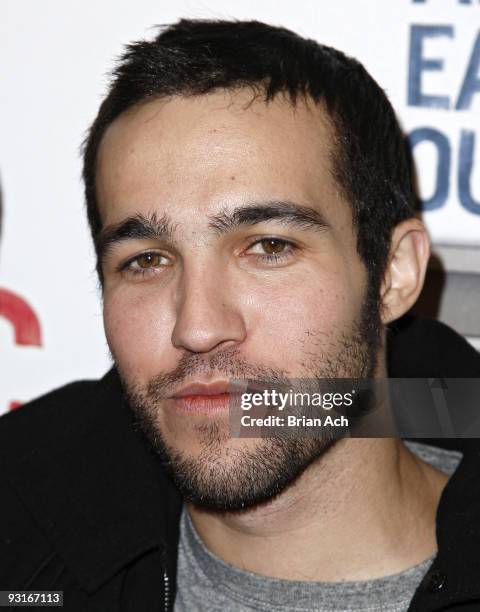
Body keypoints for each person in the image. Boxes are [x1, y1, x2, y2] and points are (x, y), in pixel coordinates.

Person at [1, 19, 480, 612]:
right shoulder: (19, 514)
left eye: (269, 247)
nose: (197, 328)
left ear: (393, 274)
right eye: (147, 260)